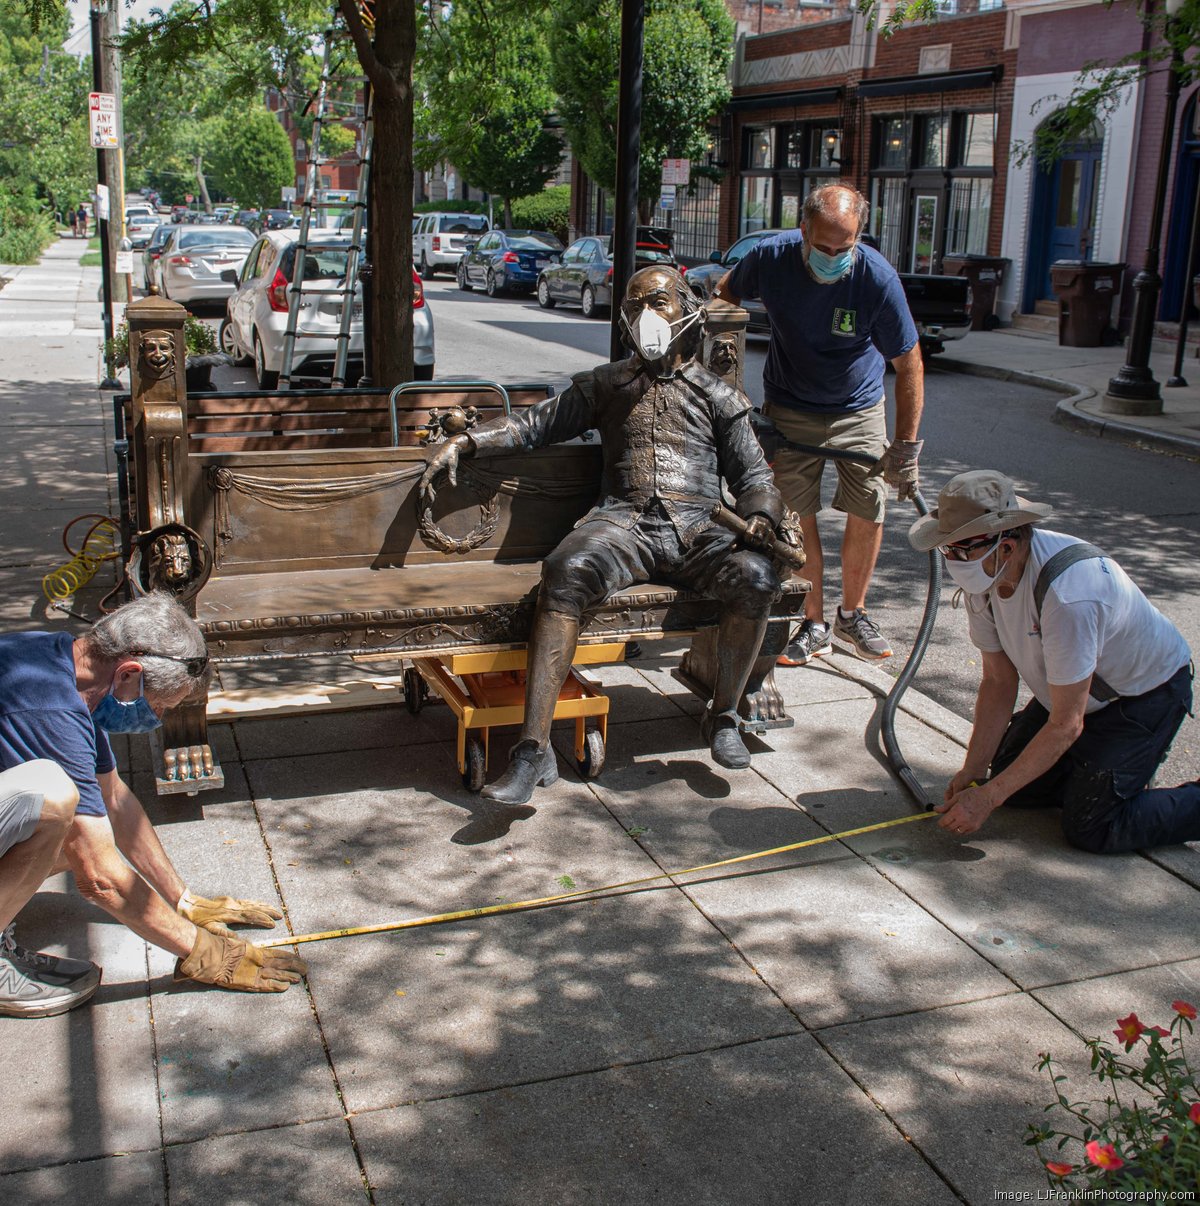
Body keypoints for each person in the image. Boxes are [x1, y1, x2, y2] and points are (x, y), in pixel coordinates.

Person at [420, 265, 785, 804]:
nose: (645, 317)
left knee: (755, 578)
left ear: (687, 310)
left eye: (657, 302)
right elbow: (533, 425)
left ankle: (724, 714)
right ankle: (532, 749)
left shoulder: (717, 397)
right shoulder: (607, 384)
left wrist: (760, 515)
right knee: (564, 572)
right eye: (634, 306)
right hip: (625, 523)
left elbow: (755, 477)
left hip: (702, 528)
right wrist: (467, 443)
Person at [0, 593, 307, 1018]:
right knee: (58, 805)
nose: (158, 717)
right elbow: (101, 879)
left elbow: (114, 800)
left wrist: (182, 901)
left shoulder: (66, 666)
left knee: (80, 822)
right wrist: (205, 952)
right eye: (159, 704)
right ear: (129, 672)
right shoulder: (47, 707)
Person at [909, 470, 1198, 852]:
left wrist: (987, 799)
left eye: (963, 550)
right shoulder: (985, 580)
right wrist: (975, 775)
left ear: (1007, 545)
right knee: (1014, 787)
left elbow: (1065, 724)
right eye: (947, 549)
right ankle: (1096, 771)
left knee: (1092, 827)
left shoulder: (1069, 594)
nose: (953, 560)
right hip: (1074, 696)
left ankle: (1125, 780)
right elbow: (998, 681)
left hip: (1140, 697)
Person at [716, 183, 924, 667]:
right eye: (824, 246)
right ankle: (813, 623)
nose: (834, 257)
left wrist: (906, 445)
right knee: (794, 514)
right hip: (790, 405)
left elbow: (908, 363)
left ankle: (853, 613)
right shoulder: (771, 258)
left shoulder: (876, 278)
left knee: (868, 506)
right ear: (803, 229)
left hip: (859, 406)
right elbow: (724, 302)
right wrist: (736, 400)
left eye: (844, 248)